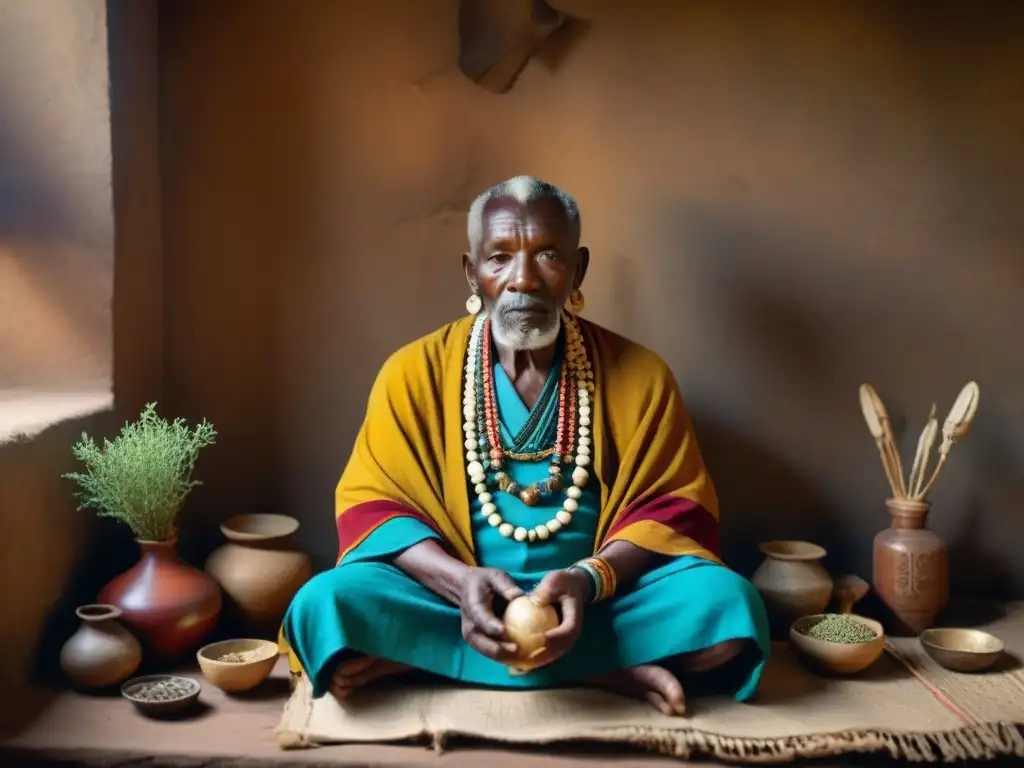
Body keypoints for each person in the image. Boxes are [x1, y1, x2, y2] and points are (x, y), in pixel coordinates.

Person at [280, 176, 770, 716]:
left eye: (548, 257)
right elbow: (375, 506)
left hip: (601, 600)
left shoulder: (642, 375)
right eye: (500, 258)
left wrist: (588, 580)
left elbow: (674, 507)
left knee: (730, 608)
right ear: (472, 272)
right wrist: (461, 582)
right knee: (320, 608)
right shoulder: (411, 373)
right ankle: (609, 668)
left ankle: (426, 659)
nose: (523, 281)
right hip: (452, 600)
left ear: (578, 270)